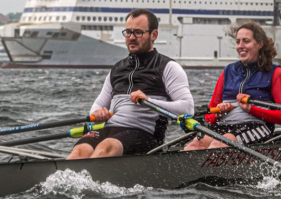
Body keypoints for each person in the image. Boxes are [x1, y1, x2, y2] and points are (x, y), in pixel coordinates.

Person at [67, 9, 194, 159]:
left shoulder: (168, 67)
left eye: (138, 33)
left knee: (106, 147)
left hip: (145, 134)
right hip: (111, 128)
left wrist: (148, 101)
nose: (131, 37)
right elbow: (98, 105)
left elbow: (188, 108)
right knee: (79, 151)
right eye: (128, 32)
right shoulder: (117, 69)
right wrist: (98, 113)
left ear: (153, 35)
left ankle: (89, 181)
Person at [184, 21, 281, 150]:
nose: (240, 46)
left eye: (246, 41)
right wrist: (219, 113)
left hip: (257, 126)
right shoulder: (228, 71)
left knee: (217, 145)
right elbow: (209, 116)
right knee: (194, 145)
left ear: (259, 44)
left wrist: (251, 109)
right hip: (224, 125)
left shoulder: (275, 73)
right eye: (237, 42)